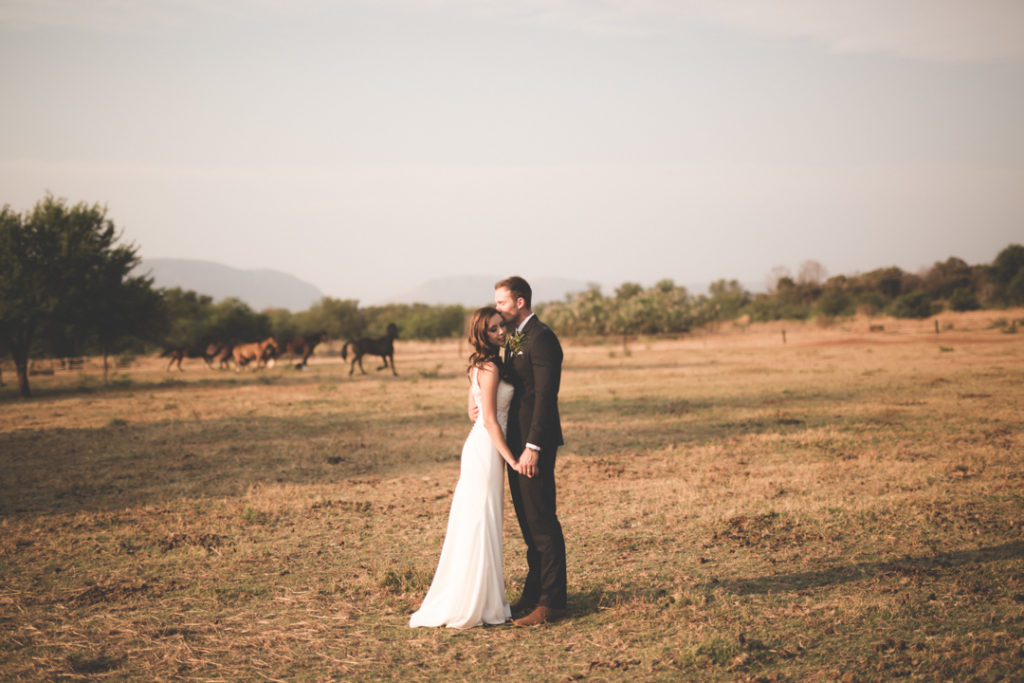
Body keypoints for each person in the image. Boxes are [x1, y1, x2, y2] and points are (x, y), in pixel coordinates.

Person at [409, 307, 521, 629]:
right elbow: (487, 419)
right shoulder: (488, 366)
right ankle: (475, 602)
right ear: (481, 335)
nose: (501, 332)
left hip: (484, 447)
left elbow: (473, 408)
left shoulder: (484, 364)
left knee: (482, 521)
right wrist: (511, 459)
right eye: (493, 330)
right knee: (479, 522)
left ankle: (486, 596)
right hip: (485, 449)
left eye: (502, 326)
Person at [494, 276, 567, 626]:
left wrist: (533, 447)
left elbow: (544, 396)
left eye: (501, 303)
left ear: (520, 302)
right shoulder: (515, 338)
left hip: (533, 445)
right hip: (515, 444)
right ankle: (533, 594)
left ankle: (552, 603)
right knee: (526, 521)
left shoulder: (542, 339)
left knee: (541, 521)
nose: (498, 309)